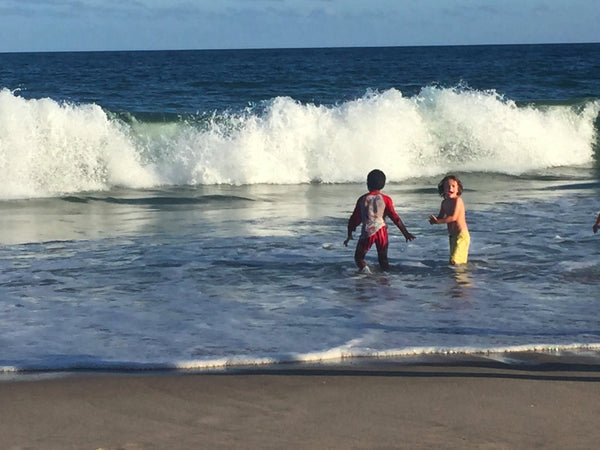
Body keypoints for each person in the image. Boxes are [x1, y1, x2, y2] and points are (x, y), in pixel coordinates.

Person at [344, 169, 416, 272]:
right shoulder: (386, 199)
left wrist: (349, 233)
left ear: (368, 183)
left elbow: (354, 218)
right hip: (381, 231)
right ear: (383, 184)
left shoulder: (362, 199)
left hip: (368, 232)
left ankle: (366, 272)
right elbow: (395, 218)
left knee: (359, 258)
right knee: (383, 259)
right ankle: (385, 278)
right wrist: (405, 233)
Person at [429, 174, 470, 265]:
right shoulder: (444, 203)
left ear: (458, 188)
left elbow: (453, 217)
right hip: (452, 236)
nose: (450, 188)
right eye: (447, 187)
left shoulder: (458, 201)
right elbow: (441, 216)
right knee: (455, 261)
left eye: (453, 186)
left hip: (461, 235)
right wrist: (434, 220)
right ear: (443, 189)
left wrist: (438, 221)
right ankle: (456, 278)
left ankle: (461, 277)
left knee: (455, 261)